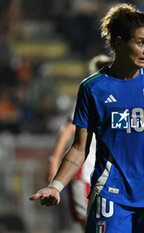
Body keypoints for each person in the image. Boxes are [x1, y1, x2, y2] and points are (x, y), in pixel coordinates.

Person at [30, 3, 144, 233]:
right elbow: (79, 149)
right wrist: (56, 186)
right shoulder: (92, 89)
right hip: (111, 196)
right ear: (118, 41)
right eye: (141, 42)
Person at [46, 55, 112, 230]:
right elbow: (67, 130)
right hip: (86, 173)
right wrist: (54, 162)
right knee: (91, 225)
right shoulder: (91, 94)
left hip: (106, 175)